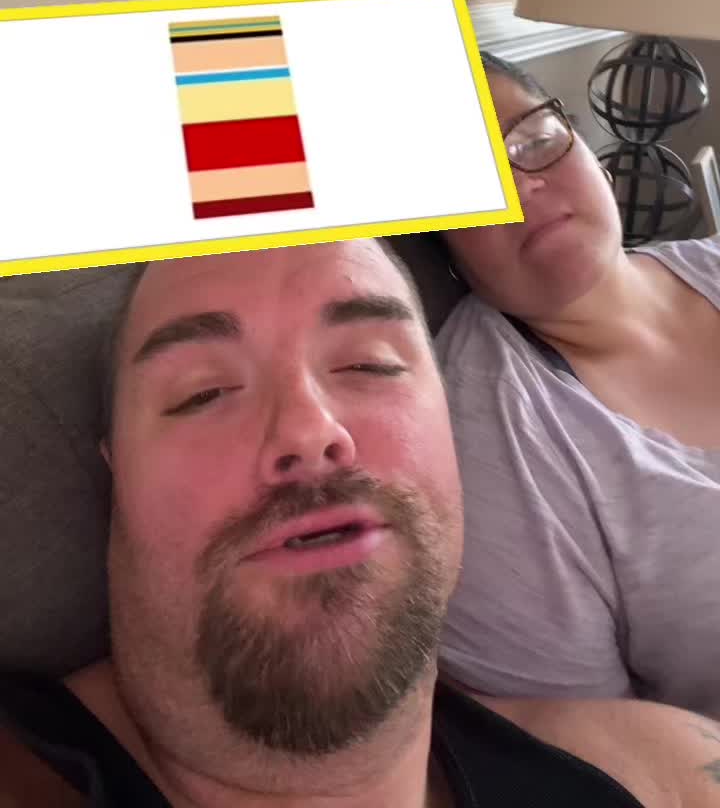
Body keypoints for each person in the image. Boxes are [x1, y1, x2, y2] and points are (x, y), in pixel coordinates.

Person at [2, 241, 720, 808]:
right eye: (203, 393)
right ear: (116, 474)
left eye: (370, 365)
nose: (308, 429)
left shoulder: (661, 774)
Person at [437, 53, 720, 718]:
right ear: (443, 247)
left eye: (534, 139)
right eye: (472, 182)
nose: (523, 186)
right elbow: (594, 751)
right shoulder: (493, 432)